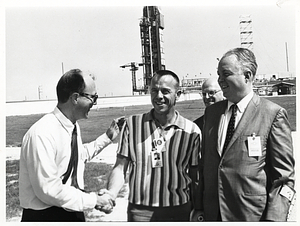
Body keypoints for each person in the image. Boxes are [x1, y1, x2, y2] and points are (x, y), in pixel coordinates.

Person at [192, 48, 295, 221]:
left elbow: (283, 179)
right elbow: (205, 167)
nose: (220, 80)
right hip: (212, 215)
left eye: (226, 74)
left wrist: (274, 220)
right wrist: (199, 207)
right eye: (218, 75)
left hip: (251, 216)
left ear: (247, 76)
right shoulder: (212, 114)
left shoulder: (272, 115)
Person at [19, 69, 124, 222]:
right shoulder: (42, 133)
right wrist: (94, 200)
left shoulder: (72, 127)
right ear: (75, 98)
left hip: (71, 211)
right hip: (46, 217)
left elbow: (78, 156)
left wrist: (108, 137)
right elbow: (48, 190)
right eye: (93, 97)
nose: (94, 103)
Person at [98, 70, 201, 221]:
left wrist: (198, 208)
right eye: (154, 90)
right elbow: (120, 167)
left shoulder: (191, 131)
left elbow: (195, 175)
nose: (159, 96)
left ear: (177, 95)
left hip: (178, 209)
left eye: (165, 91)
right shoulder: (132, 125)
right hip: (140, 211)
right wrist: (111, 193)